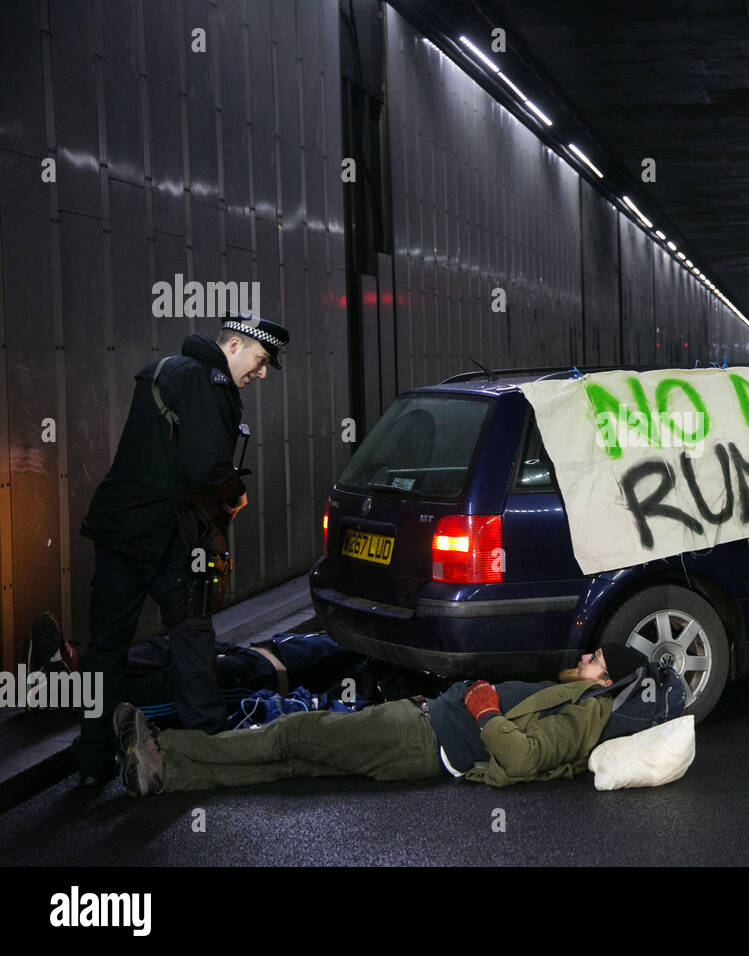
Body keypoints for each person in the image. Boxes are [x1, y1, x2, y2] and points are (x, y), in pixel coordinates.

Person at [73, 313, 290, 787]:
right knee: (192, 640)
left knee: (105, 649)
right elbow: (200, 469)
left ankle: (92, 763)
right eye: (259, 359)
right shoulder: (206, 381)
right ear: (232, 347)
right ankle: (207, 753)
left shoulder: (167, 369)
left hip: (118, 530)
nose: (262, 372)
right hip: (169, 538)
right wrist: (233, 488)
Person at [113, 644, 653, 795]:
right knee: (294, 762)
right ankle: (166, 775)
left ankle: (164, 744)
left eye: (595, 660)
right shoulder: (577, 698)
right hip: (420, 731)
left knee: (295, 733)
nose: (585, 658)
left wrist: (485, 708)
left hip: (420, 738)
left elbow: (525, 755)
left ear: (603, 681)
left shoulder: (587, 711)